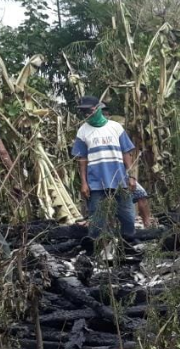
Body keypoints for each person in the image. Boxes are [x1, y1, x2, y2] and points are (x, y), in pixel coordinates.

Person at [71, 95, 138, 240]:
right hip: (96, 183)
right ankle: (95, 251)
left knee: (128, 217)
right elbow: (82, 159)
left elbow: (127, 153)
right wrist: (84, 183)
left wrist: (132, 176)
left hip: (120, 181)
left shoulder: (115, 127)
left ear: (98, 108)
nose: (87, 114)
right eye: (84, 112)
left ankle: (128, 246)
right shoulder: (82, 131)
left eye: (89, 111)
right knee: (96, 222)